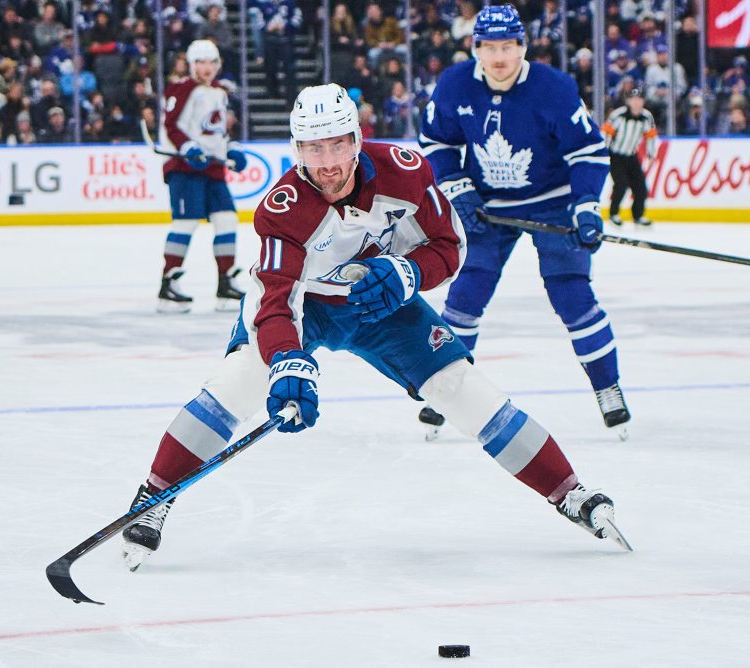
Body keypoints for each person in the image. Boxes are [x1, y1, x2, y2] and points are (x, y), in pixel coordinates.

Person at [118, 83, 630, 571]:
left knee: (459, 387)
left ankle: (570, 493)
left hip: (381, 303)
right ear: (297, 149)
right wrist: (287, 360)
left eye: (337, 145)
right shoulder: (283, 210)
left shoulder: (405, 173)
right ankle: (154, 496)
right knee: (235, 385)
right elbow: (276, 300)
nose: (327, 164)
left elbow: (448, 248)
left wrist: (409, 273)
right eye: (313, 149)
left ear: (357, 140)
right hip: (308, 307)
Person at [417, 3, 632, 441]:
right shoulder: (455, 85)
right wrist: (458, 189)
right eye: (490, 47)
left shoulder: (553, 88)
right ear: (474, 48)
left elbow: (587, 152)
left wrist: (587, 204)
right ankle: (443, 389)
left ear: (524, 46)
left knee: (572, 295)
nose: (500, 57)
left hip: (551, 203)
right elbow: (435, 143)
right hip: (488, 207)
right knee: (465, 295)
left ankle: (607, 386)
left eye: (509, 46)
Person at [156, 39, 249, 312]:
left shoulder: (219, 92)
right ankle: (168, 285)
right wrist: (188, 148)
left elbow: (215, 132)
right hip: (185, 168)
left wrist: (230, 149)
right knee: (185, 223)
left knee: (227, 219)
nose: (206, 68)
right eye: (200, 62)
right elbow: (171, 126)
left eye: (211, 62)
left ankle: (225, 282)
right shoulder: (182, 89)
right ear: (191, 64)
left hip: (212, 169)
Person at [601, 88, 657, 227]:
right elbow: (606, 134)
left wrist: (651, 155)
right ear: (628, 101)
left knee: (641, 187)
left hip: (632, 156)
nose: (637, 102)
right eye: (633, 99)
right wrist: (603, 153)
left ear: (643, 101)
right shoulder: (618, 115)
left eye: (639, 99)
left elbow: (650, 137)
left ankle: (638, 215)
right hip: (615, 155)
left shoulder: (647, 117)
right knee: (621, 184)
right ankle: (614, 213)